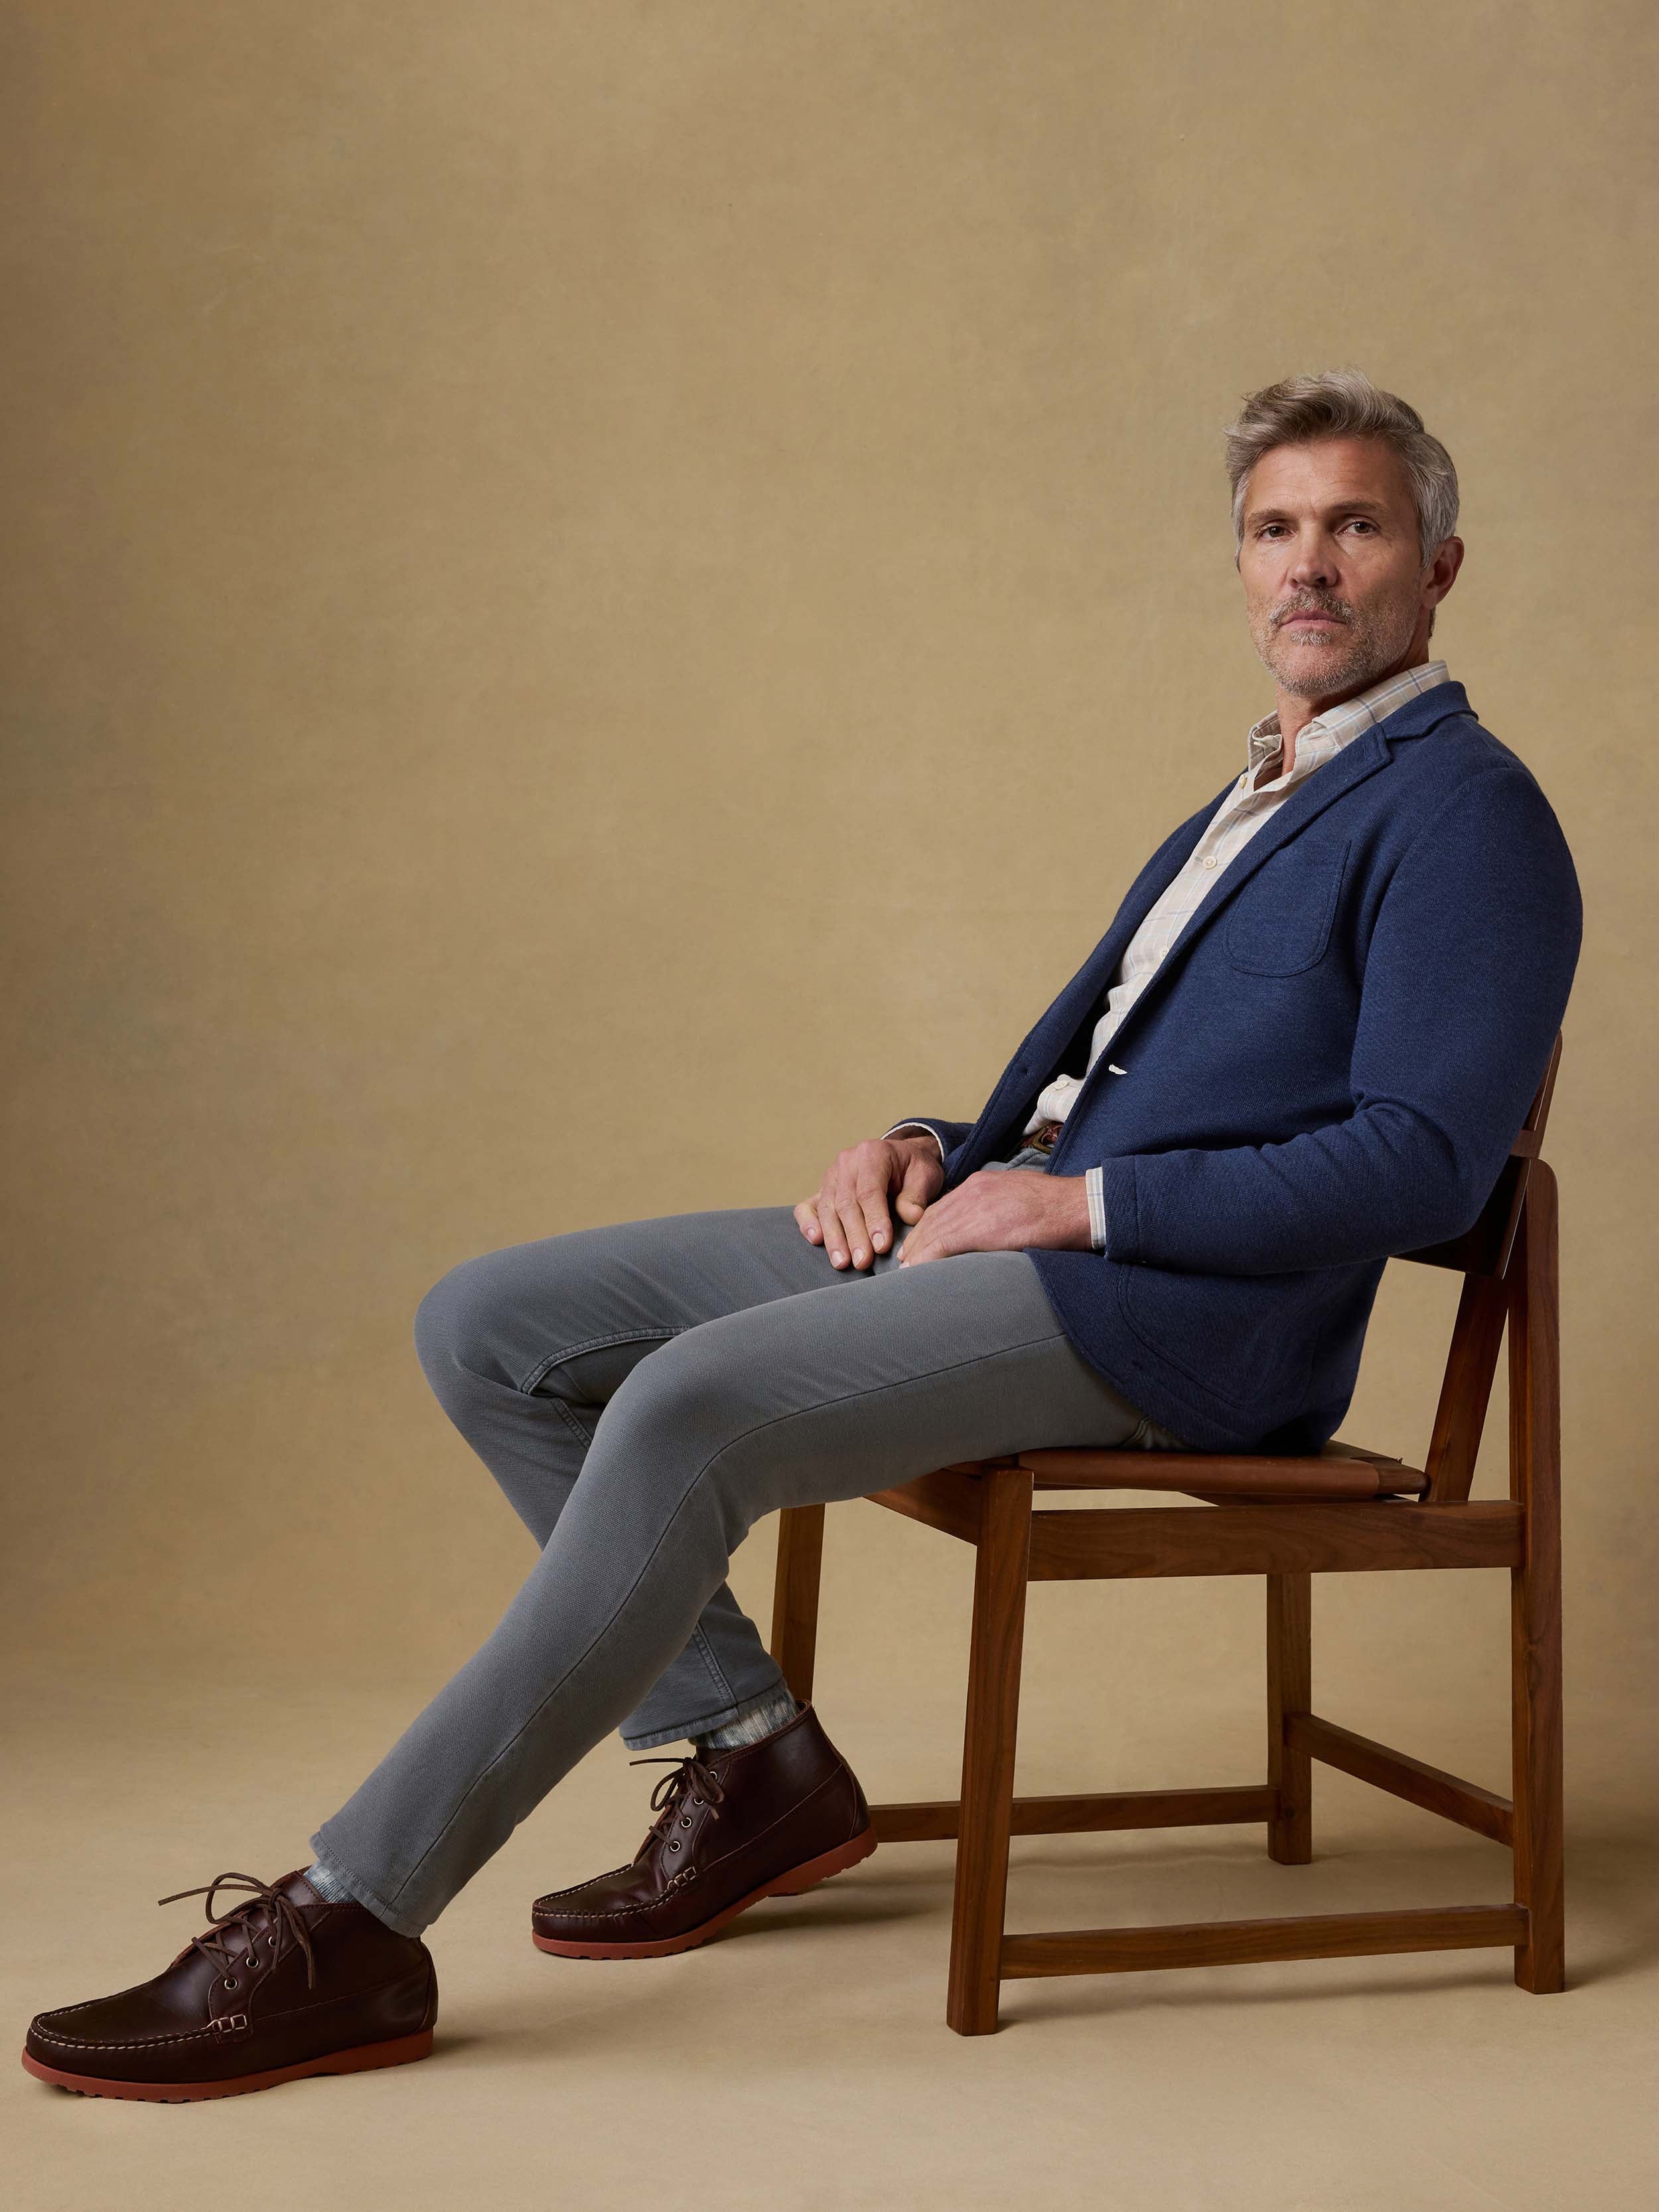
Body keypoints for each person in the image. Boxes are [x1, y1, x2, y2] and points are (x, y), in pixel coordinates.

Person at [21, 370, 1582, 2101]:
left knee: (686, 1407)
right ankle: (754, 1758)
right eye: (1271, 529)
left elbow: (1425, 1165)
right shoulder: (1253, 797)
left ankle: (353, 1920)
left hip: (1175, 1331)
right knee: (491, 1325)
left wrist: (1077, 1202)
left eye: (1352, 525)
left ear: (1437, 566)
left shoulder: (1466, 815)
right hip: (1025, 1243)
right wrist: (935, 1148)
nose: (1306, 565)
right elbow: (1128, 1091)